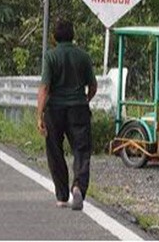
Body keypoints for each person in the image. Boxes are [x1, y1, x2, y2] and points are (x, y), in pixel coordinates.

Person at [36, 19, 97, 211]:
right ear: (73, 35)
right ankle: (78, 186)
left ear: (54, 37)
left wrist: (39, 115)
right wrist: (85, 99)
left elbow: (45, 87)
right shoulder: (83, 56)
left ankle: (62, 196)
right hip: (78, 107)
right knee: (81, 150)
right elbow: (93, 86)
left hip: (54, 110)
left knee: (55, 151)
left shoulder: (51, 56)